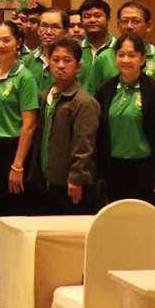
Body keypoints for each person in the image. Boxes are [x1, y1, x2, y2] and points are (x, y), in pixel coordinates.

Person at [0, 20, 41, 286]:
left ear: (18, 43)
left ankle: (15, 281)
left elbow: (29, 124)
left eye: (6, 40)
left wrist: (18, 165)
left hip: (13, 152)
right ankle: (1, 279)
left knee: (12, 218)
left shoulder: (25, 77)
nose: (0, 45)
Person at [94, 31, 155, 206]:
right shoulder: (105, 90)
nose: (126, 60)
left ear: (142, 59)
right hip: (113, 168)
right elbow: (99, 134)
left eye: (132, 55)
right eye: (121, 55)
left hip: (145, 168)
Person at [36, 38, 99, 216]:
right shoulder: (44, 96)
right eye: (55, 60)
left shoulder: (84, 101)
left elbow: (84, 144)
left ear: (78, 66)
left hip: (71, 183)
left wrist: (76, 178)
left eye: (67, 60)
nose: (61, 65)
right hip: (46, 178)